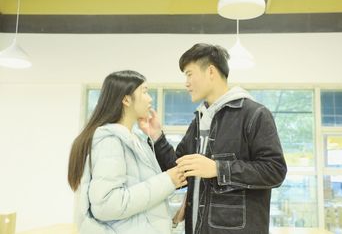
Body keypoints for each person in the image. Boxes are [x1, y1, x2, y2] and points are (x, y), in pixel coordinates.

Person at [140, 43, 287, 234]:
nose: (186, 83)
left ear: (210, 71)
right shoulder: (199, 120)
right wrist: (156, 136)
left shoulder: (255, 114)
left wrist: (218, 168)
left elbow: (274, 170)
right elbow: (179, 171)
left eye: (189, 74)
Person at [67, 70, 187, 234]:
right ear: (126, 99)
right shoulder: (110, 142)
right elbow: (107, 205)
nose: (150, 98)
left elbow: (135, 206)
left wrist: (172, 215)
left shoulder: (135, 141)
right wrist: (168, 180)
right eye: (144, 92)